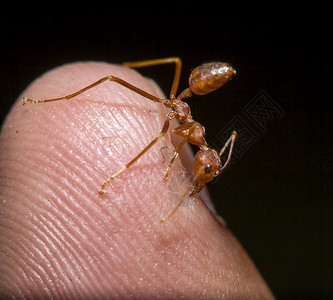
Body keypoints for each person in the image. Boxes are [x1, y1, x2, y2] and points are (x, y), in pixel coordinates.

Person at [0, 62, 274, 299]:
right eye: (204, 170)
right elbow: (172, 140)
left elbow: (182, 141)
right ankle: (63, 102)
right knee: (119, 86)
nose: (201, 173)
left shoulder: (193, 130)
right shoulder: (190, 126)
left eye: (204, 171)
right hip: (185, 98)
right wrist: (120, 175)